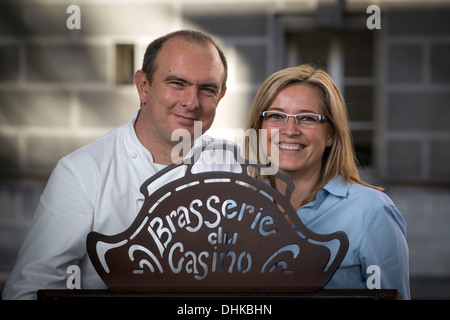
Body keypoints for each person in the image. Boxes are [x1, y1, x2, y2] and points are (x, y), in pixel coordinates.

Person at [2, 29, 234, 299]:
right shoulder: (82, 172)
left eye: (207, 89)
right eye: (177, 83)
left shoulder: (233, 164)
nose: (191, 102)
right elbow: (30, 289)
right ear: (143, 86)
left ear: (220, 97)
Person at [245, 64, 410, 299]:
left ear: (331, 134)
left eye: (308, 118)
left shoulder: (372, 211)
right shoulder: (238, 207)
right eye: (276, 116)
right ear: (259, 128)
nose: (290, 130)